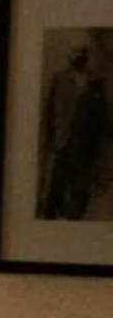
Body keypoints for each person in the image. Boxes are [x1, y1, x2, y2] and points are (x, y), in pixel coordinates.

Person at [40, 43, 109, 222]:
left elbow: (101, 118)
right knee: (57, 185)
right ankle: (49, 219)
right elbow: (50, 111)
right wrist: (51, 139)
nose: (79, 58)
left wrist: (97, 148)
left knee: (80, 189)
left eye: (82, 55)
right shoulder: (60, 79)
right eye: (75, 54)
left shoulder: (95, 83)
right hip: (63, 142)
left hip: (85, 145)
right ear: (70, 58)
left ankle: (74, 221)